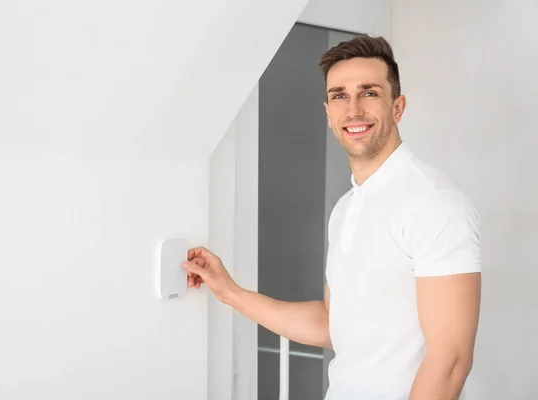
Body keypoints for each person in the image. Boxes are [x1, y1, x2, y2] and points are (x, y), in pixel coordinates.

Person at [182, 35, 481, 400]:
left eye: (369, 92)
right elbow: (330, 323)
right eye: (339, 95)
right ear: (328, 112)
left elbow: (451, 361)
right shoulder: (346, 208)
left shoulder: (434, 203)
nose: (353, 109)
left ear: (398, 107)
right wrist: (228, 291)